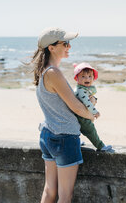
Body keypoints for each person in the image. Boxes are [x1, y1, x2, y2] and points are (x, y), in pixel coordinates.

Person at [31, 27, 98, 203]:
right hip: (64, 138)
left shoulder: (44, 71)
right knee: (65, 196)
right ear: (51, 47)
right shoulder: (53, 72)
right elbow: (75, 106)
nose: (69, 47)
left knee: (49, 191)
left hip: (48, 134)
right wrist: (91, 115)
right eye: (65, 43)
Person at [73, 62, 113, 152]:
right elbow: (88, 103)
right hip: (81, 116)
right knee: (91, 130)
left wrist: (94, 99)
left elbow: (90, 99)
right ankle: (100, 146)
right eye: (83, 76)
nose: (87, 78)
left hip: (79, 114)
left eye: (90, 76)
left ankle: (76, 142)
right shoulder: (80, 91)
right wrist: (95, 112)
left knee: (76, 130)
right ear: (77, 78)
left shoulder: (83, 89)